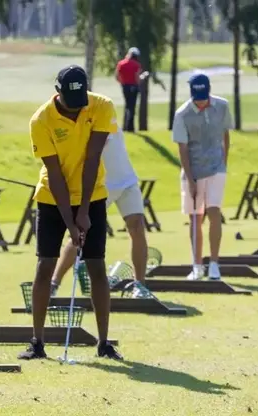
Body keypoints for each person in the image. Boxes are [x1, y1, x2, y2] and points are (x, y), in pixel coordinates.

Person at [19, 65, 123, 361]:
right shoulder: (41, 120)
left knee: (97, 267)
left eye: (80, 103)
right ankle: (37, 342)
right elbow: (54, 173)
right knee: (44, 266)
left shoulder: (101, 107)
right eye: (70, 102)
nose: (77, 109)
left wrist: (85, 211)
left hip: (93, 195)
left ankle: (104, 343)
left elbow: (92, 160)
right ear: (58, 93)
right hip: (53, 197)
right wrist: (70, 220)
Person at [49, 126, 154, 299]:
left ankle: (140, 285)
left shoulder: (104, 109)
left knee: (137, 227)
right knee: (80, 233)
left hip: (127, 181)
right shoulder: (76, 119)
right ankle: (54, 284)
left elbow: (99, 142)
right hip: (99, 186)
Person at [171, 73, 232, 281]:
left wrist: (224, 163)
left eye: (203, 95)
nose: (201, 100)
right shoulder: (182, 114)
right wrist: (190, 179)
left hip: (216, 168)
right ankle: (197, 266)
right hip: (193, 171)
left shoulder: (222, 106)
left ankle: (214, 265)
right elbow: (183, 149)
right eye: (197, 96)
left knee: (214, 212)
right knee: (196, 218)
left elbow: (225, 135)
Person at [115, 47, 143, 132]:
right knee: (132, 107)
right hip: (133, 87)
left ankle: (126, 126)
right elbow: (137, 78)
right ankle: (130, 127)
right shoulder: (137, 65)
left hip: (125, 86)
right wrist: (141, 80)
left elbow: (117, 76)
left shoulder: (121, 63)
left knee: (127, 106)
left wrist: (122, 83)